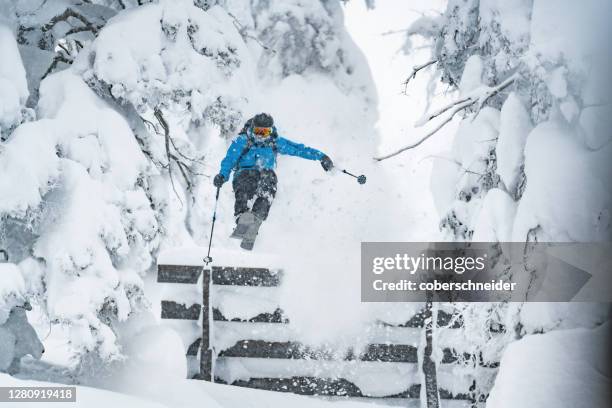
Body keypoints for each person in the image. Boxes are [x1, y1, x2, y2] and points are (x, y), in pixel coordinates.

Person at [213, 113, 333, 249]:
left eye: (265, 132)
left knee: (268, 183)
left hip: (265, 173)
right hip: (244, 173)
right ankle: (242, 215)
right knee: (244, 187)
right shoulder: (242, 141)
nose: (261, 136)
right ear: (252, 128)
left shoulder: (274, 142)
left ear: (271, 130)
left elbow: (298, 149)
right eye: (258, 131)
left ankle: (257, 216)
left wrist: (321, 157)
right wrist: (222, 176)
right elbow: (229, 160)